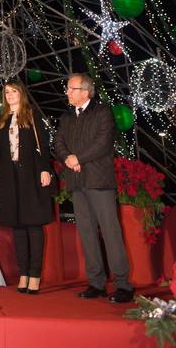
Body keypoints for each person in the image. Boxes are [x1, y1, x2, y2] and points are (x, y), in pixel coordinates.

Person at [55, 73, 133, 304]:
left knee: (110, 232)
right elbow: (58, 142)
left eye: (71, 88)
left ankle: (122, 285)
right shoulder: (67, 117)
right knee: (87, 233)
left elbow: (102, 143)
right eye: (67, 88)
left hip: (99, 181)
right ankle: (96, 282)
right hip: (77, 183)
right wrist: (68, 158)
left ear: (86, 91)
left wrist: (77, 158)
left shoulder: (103, 112)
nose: (67, 92)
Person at [0, 80, 52, 294]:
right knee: (17, 226)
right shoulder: (2, 120)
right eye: (7, 92)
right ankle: (23, 273)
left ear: (21, 93)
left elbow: (43, 144)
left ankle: (35, 275)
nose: (10, 95)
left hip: (30, 175)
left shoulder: (32, 116)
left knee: (33, 225)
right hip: (9, 177)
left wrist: (45, 169)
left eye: (14, 91)